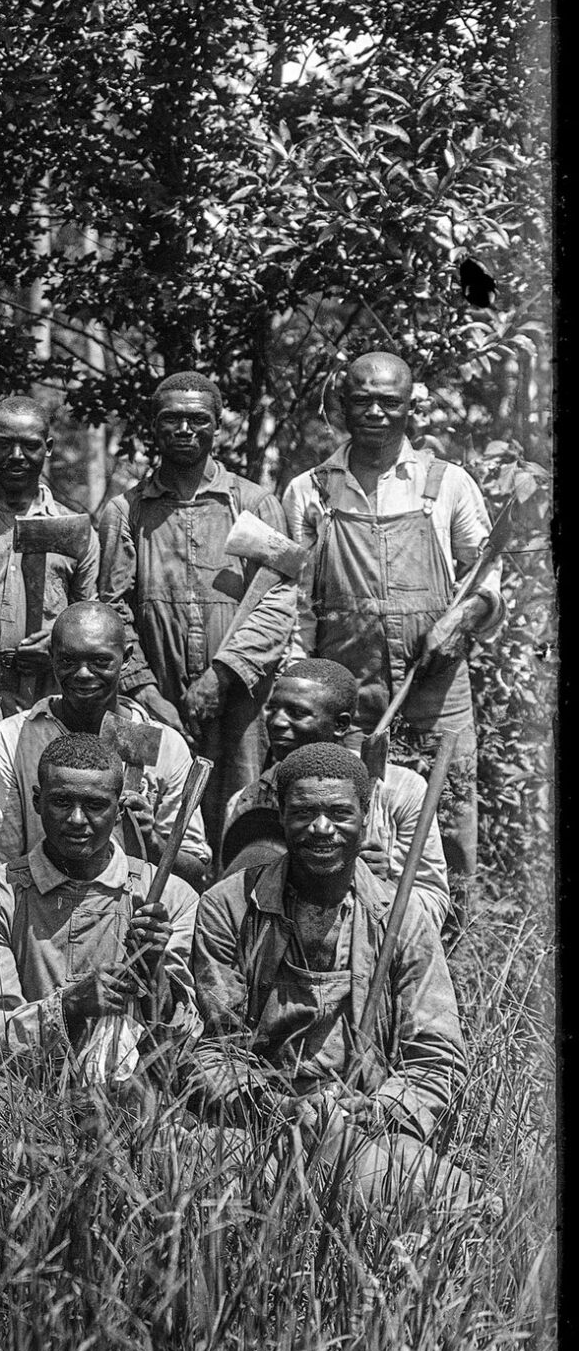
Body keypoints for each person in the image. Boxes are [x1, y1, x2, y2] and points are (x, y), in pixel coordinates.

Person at [179, 742, 479, 1214]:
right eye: (303, 813)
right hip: (258, 1123)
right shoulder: (229, 906)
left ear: (366, 814)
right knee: (205, 1175)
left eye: (339, 813)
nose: (321, 829)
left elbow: (437, 1059)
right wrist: (274, 1108)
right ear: (280, 814)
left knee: (455, 1200)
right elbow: (211, 1048)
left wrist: (377, 1110)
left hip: (366, 1124)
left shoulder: (401, 918)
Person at [279, 350, 498, 911]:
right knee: (344, 824)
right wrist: (303, 678)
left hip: (436, 686)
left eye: (389, 401)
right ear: (342, 404)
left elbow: (489, 573)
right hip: (344, 693)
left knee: (447, 821)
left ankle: (453, 960)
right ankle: (352, 951)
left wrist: (466, 617)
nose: (375, 411)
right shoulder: (310, 491)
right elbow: (293, 599)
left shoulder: (448, 484)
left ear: (410, 408)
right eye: (362, 400)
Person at [92, 370, 293, 835]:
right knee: (146, 820)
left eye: (198, 420)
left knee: (244, 818)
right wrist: (145, 693)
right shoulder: (126, 511)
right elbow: (112, 608)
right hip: (152, 699)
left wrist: (222, 676)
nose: (185, 430)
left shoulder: (254, 503)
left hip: (242, 698)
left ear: (217, 428)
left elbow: (278, 600)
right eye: (173, 419)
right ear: (155, 428)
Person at [0, 734, 198, 1077]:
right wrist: (69, 1007)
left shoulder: (169, 898)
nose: (75, 819)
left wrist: (154, 973)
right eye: (61, 802)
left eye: (95, 805)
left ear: (120, 811)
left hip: (133, 1105)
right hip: (22, 1098)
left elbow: (182, 1042)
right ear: (37, 802)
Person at [0, 601, 212, 889]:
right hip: (39, 914)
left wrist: (152, 842)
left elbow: (195, 873)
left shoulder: (161, 743)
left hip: (132, 918)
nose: (83, 674)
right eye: (68, 661)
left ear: (127, 658)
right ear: (51, 657)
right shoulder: (14, 736)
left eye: (100, 661)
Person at [217, 658, 443, 911]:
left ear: (341, 725)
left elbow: (433, 902)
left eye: (297, 712)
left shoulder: (399, 790)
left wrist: (379, 887)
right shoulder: (247, 802)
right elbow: (230, 904)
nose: (277, 722)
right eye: (272, 709)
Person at [0, 394, 98, 712]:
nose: (17, 456)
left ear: (48, 447)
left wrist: (59, 643)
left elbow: (90, 617)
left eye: (30, 445)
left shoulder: (74, 530)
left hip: (49, 687)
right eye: (4, 444)